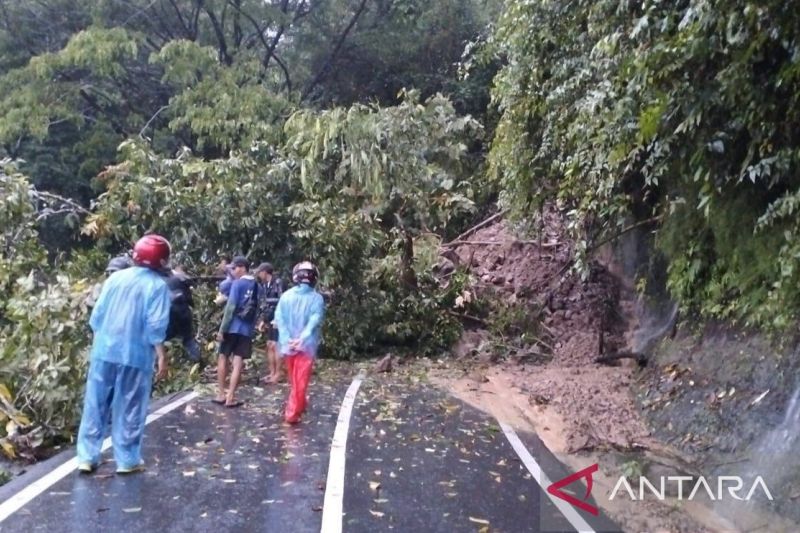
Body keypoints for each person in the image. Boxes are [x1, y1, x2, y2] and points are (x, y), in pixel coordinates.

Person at [76, 234, 171, 474]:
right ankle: (127, 460)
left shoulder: (115, 279)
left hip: (104, 351)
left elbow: (96, 317)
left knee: (95, 404)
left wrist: (99, 347)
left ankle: (87, 457)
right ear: (161, 261)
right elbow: (155, 326)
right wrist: (161, 356)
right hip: (135, 355)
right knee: (130, 406)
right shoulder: (157, 286)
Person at [274, 261, 325, 424]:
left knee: (294, 379)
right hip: (306, 346)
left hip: (288, 345)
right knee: (300, 380)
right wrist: (302, 338)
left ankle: (299, 405)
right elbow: (314, 320)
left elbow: (279, 319)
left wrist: (288, 339)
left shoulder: (285, 296)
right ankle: (292, 413)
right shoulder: (317, 298)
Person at [214, 256, 260, 407]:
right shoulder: (256, 286)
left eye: (234, 268)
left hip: (231, 327)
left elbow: (230, 308)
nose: (233, 271)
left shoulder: (237, 284)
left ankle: (221, 394)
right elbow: (258, 309)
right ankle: (231, 397)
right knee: (238, 363)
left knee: (222, 358)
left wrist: (222, 330)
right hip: (246, 330)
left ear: (242, 268)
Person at [164, 265, 200, 361]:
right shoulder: (180, 278)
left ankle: (163, 362)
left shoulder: (157, 279)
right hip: (183, 312)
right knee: (188, 339)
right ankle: (197, 361)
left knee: (162, 338)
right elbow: (190, 300)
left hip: (169, 314)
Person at [255, 262, 283, 384]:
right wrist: (263, 320)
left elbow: (281, 302)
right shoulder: (265, 285)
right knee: (269, 344)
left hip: (278, 318)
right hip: (270, 318)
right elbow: (265, 304)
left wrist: (273, 319)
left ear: (265, 272)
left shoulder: (278, 283)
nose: (259, 275)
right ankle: (272, 372)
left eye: (260, 272)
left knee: (276, 345)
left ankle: (278, 373)